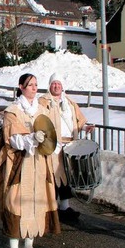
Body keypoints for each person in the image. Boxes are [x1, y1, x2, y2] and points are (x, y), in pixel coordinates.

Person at [0, 73, 60, 248]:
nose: (34, 88)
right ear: (21, 87)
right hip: (19, 164)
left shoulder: (42, 110)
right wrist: (31, 138)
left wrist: (52, 144)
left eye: (36, 85)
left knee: (35, 203)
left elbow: (51, 136)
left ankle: (29, 246)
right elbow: (13, 139)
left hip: (39, 164)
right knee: (16, 203)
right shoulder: (12, 111)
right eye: (30, 85)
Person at [38, 73, 94, 222]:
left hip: (69, 145)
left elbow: (78, 121)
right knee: (53, 176)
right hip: (52, 145)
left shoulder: (69, 102)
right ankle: (50, 208)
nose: (56, 86)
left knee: (67, 176)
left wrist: (85, 127)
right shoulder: (43, 102)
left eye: (59, 84)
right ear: (49, 86)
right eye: (54, 83)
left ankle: (64, 206)